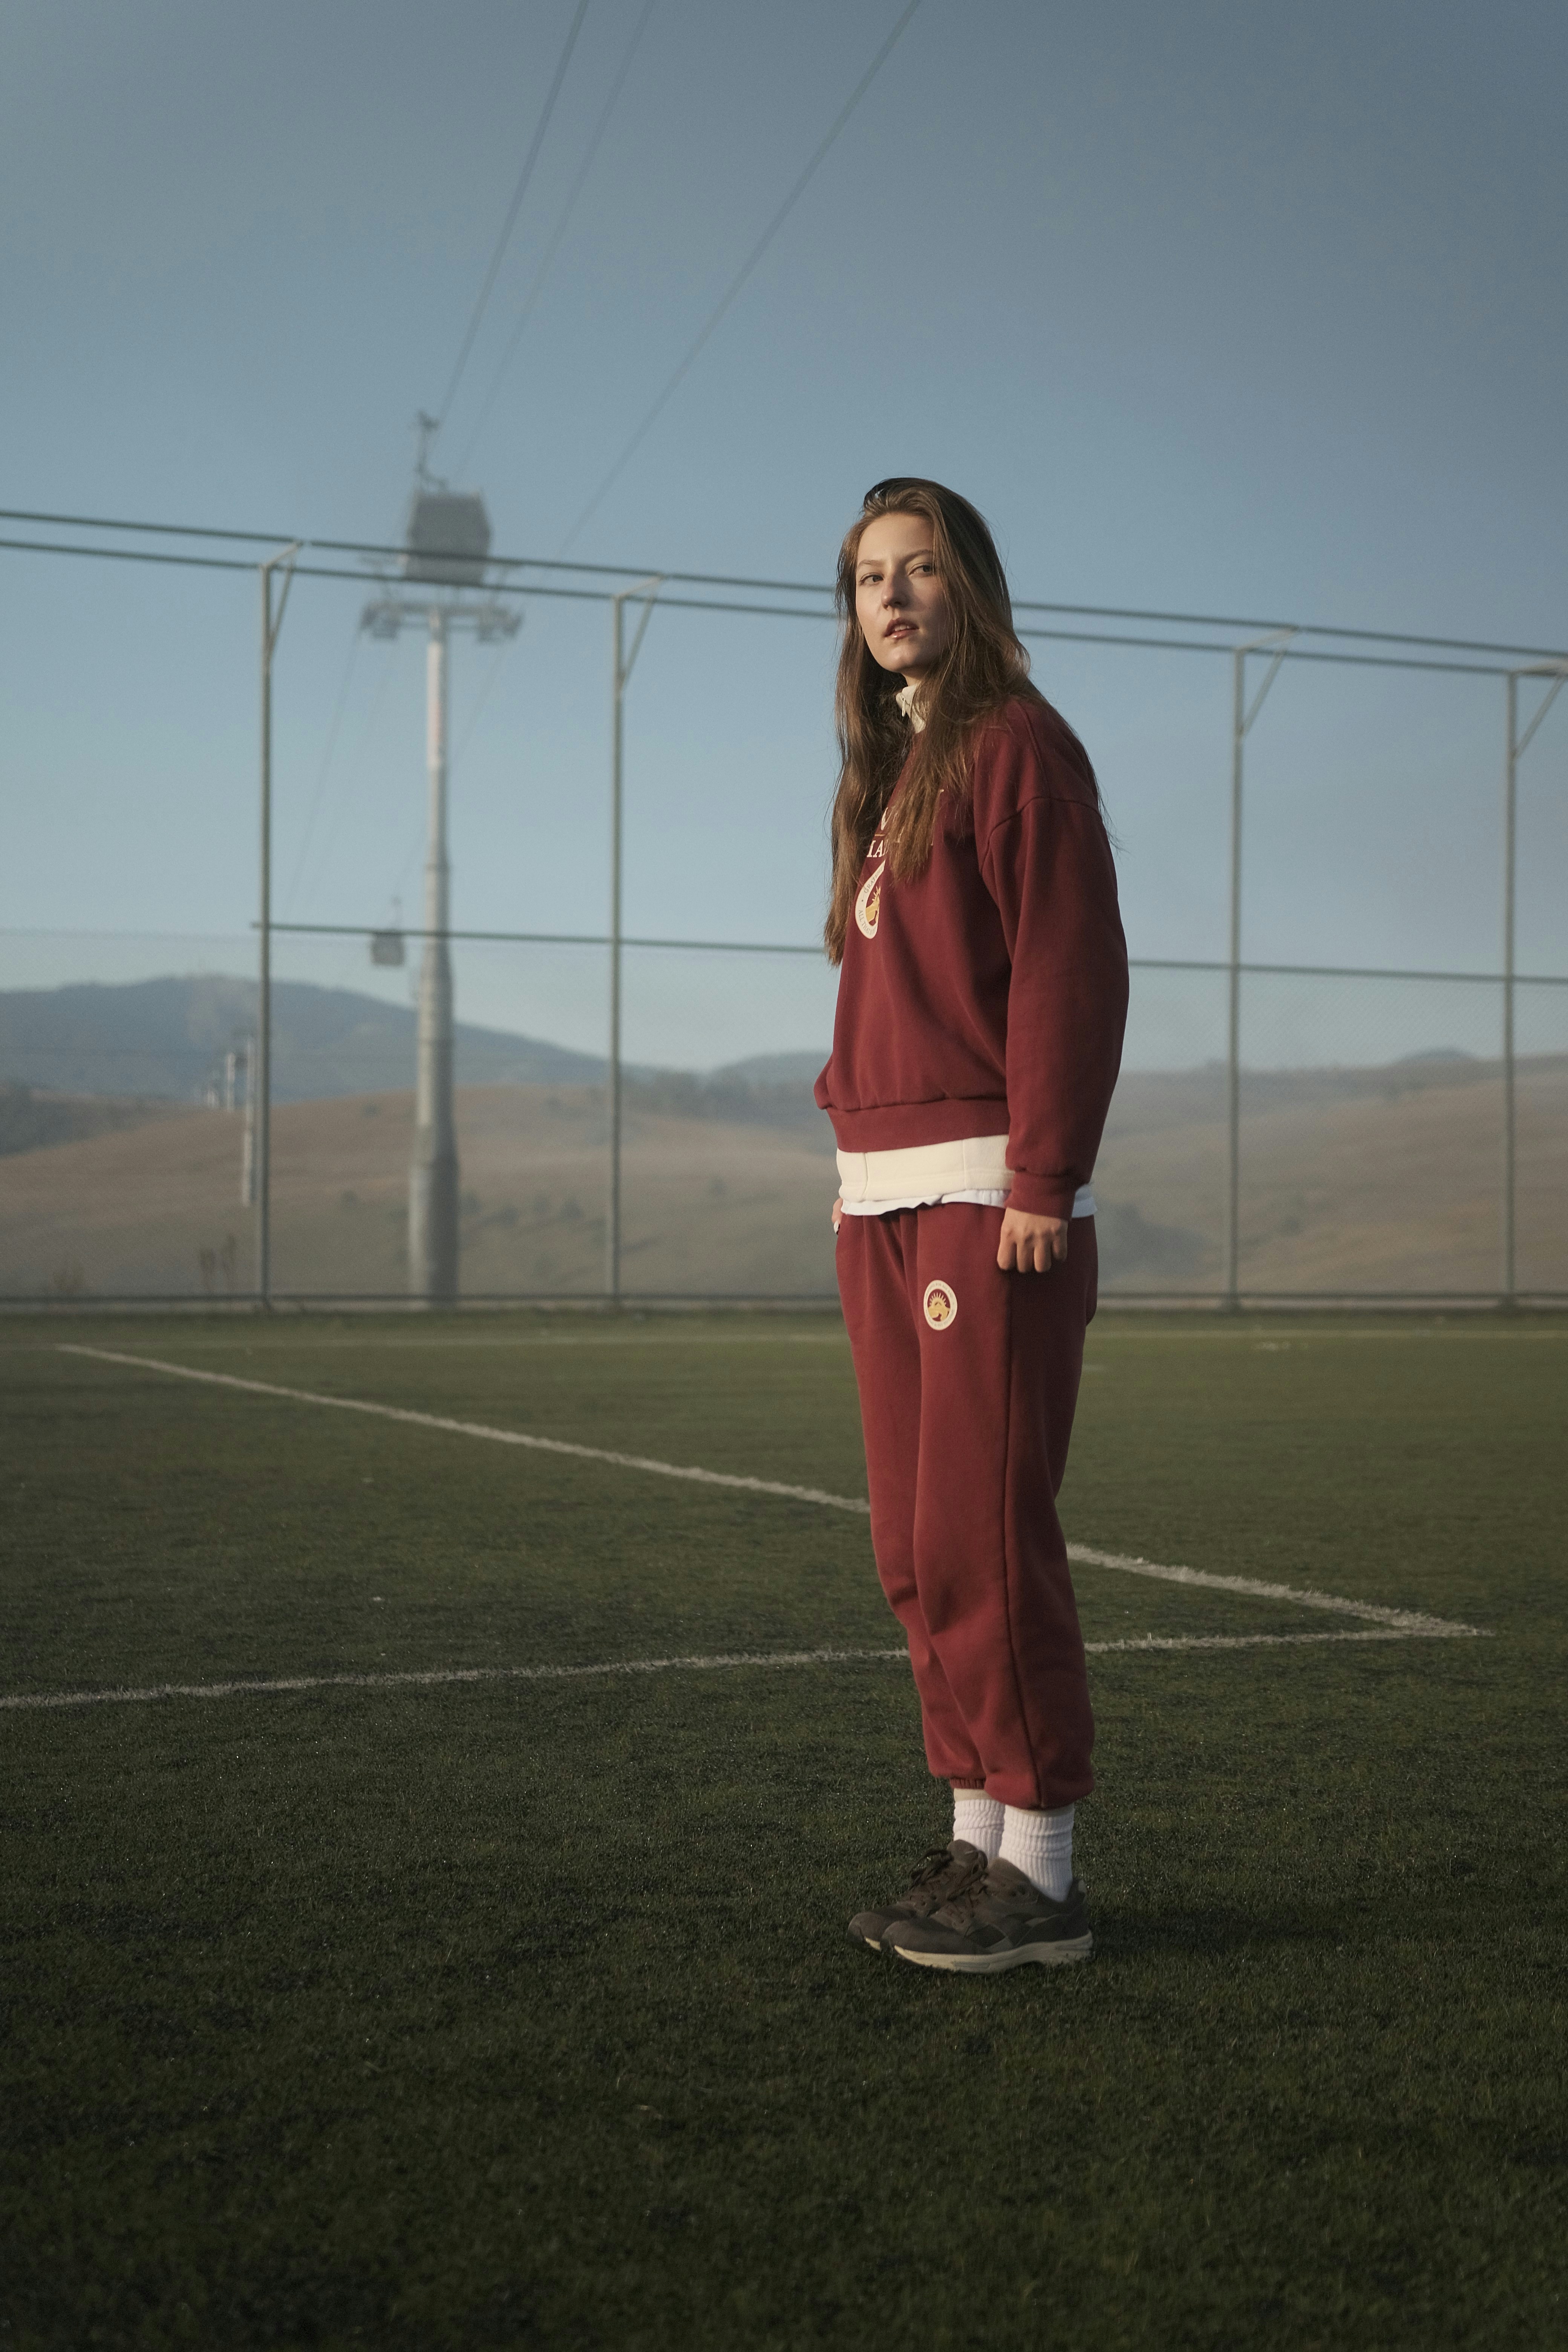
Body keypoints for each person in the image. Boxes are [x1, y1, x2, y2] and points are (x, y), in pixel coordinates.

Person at [815, 478, 1129, 1974]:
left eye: (920, 570)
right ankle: (971, 1839)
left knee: (984, 1538)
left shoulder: (1019, 751)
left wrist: (1039, 1180)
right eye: (869, 576)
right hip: (877, 1197)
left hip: (980, 1199)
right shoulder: (892, 770)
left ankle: (1044, 1873)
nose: (891, 596)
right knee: (912, 1545)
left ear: (970, 590)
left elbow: (1069, 972)